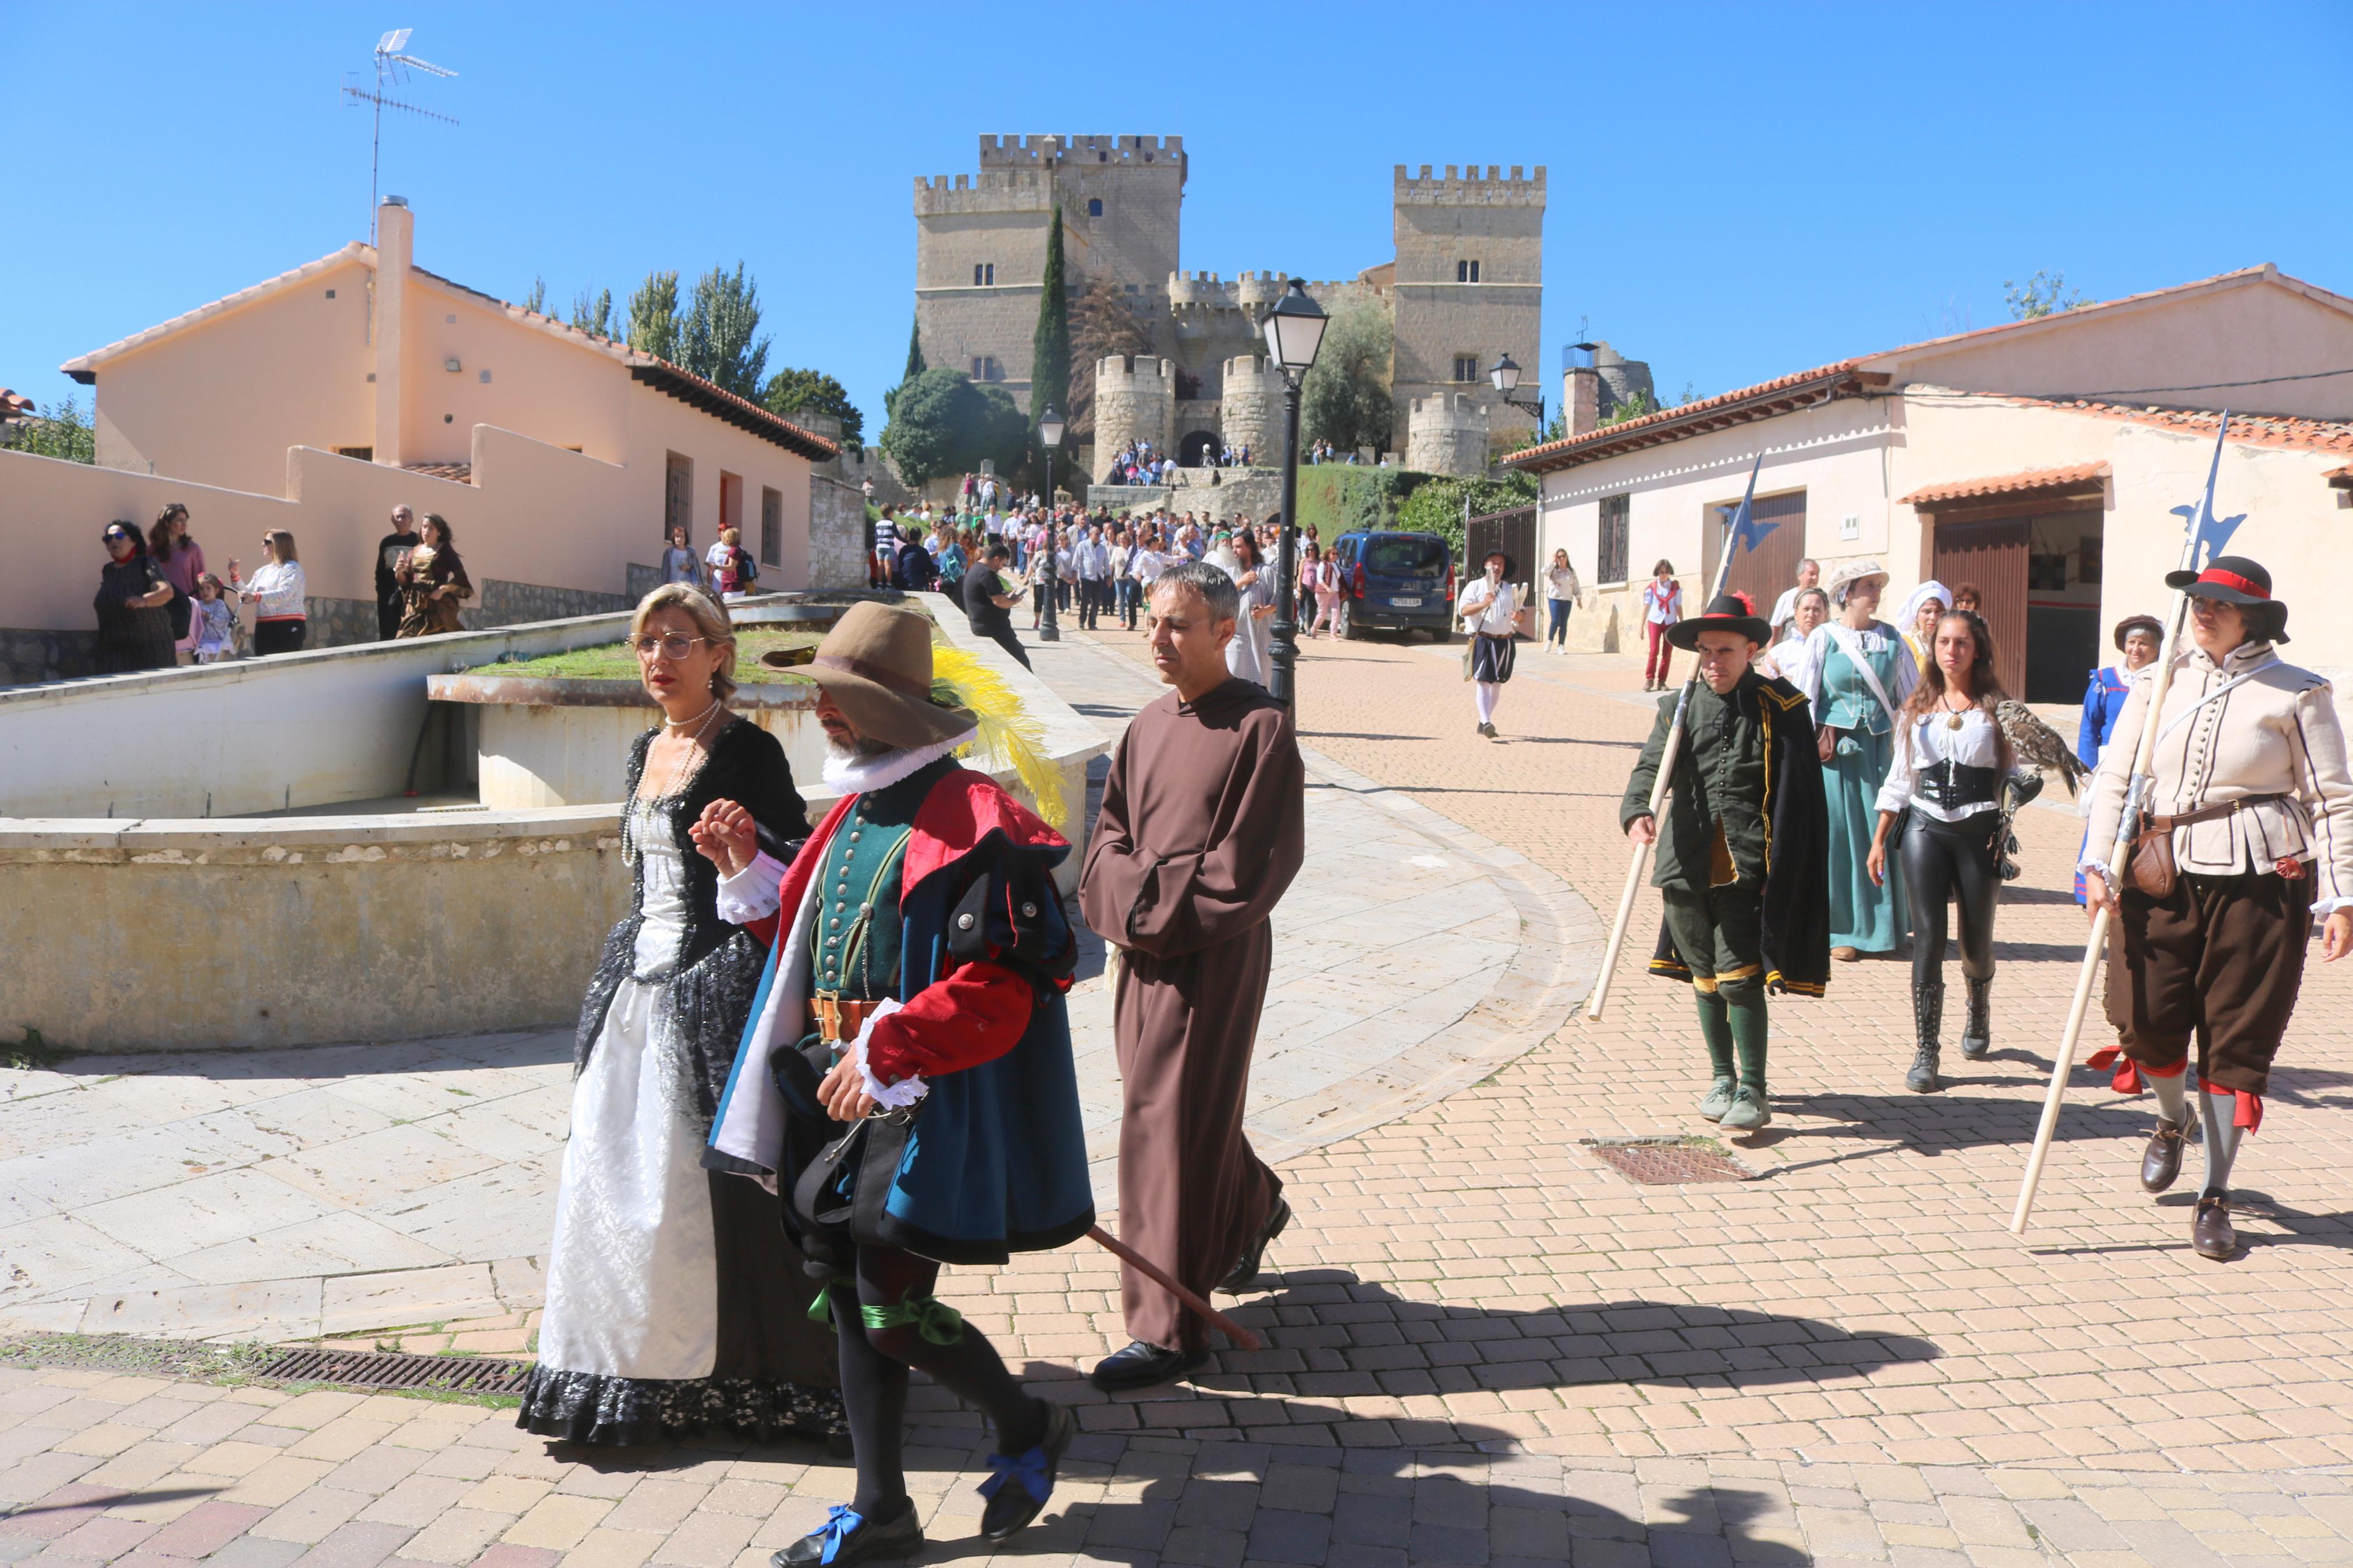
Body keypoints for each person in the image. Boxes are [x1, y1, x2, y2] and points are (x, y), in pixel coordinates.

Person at [703, 603, 1089, 1563]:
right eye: (822, 694)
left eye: (838, 696)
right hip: (830, 1100)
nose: (820, 710)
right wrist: (750, 875)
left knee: (888, 1310)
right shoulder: (849, 811)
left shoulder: (977, 822)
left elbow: (1009, 987)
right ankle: (882, 1512)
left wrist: (892, 1046)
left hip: (917, 1104)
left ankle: (1025, 1422)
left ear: (888, 710)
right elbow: (816, 957)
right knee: (845, 1300)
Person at [518, 583, 842, 1447]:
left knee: (705, 1189)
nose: (658, 658)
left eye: (678, 641)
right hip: (635, 990)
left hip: (712, 984)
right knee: (612, 1170)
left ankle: (764, 1377)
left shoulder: (747, 752)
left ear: (718, 653)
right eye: (647, 642)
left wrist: (745, 847)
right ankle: (621, 1369)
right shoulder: (643, 749)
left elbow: (793, 868)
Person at [2081, 556, 2353, 1261]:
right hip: (2156, 870)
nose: (2201, 611)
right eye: (2196, 600)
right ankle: (2172, 1122)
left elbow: (2333, 799)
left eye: (2218, 604)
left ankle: (2214, 1193)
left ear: (2254, 617)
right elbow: (2114, 775)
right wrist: (2091, 863)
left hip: (2261, 880)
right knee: (2144, 1015)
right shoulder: (2155, 683)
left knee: (2233, 1038)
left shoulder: (2296, 691)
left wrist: (2341, 898)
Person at [1078, 561, 1306, 1392]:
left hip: (1213, 950)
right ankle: (1251, 1202)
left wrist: (1150, 904)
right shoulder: (1141, 726)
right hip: (1143, 950)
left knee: (1162, 1122)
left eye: (1176, 624)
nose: (1157, 638)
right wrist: (1132, 908)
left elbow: (1251, 861)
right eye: (1151, 621)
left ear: (1221, 630)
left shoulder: (1261, 729)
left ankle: (1168, 1325)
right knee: (1170, 1103)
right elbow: (1103, 838)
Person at [1621, 595, 1829, 1132]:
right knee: (1704, 974)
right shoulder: (1677, 707)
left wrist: (1786, 867)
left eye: (1726, 651)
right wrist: (1637, 810)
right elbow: (1652, 766)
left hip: (1747, 862)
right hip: (1684, 860)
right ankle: (1721, 1076)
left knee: (1739, 975)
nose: (1714, 661)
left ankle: (1754, 1088)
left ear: (1752, 649)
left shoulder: (1782, 706)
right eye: (1706, 651)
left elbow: (1800, 796)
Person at [1867, 610, 2041, 1093]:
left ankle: (1978, 1002)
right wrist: (1879, 838)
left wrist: (2023, 789)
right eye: (1943, 641)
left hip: (1979, 828)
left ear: (1977, 649)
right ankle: (1926, 1050)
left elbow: (2018, 770)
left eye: (1961, 642)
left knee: (1975, 943)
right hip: (1923, 825)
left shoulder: (1999, 708)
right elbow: (1900, 778)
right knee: (1926, 939)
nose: (1951, 650)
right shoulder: (1916, 706)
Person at [1802, 560, 1917, 961]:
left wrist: (1912, 751)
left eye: (1878, 586)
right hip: (1834, 756)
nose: (1876, 592)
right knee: (1837, 837)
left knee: (1880, 835)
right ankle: (1841, 931)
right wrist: (1801, 756)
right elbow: (1805, 699)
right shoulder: (1823, 639)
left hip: (1880, 754)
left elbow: (1911, 700)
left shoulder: (1893, 640)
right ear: (1846, 593)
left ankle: (1885, 929)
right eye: (1868, 586)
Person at [2074, 614, 2166, 903]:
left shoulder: (2164, 681)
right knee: (2103, 823)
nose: (2137, 649)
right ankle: (2089, 889)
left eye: (2145, 644)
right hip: (2110, 766)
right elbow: (2090, 727)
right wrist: (2086, 771)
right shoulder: (2105, 681)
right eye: (2132, 642)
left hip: (2148, 765)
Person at [93, 521, 176, 674]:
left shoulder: (146, 563)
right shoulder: (108, 571)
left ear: (134, 541)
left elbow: (166, 592)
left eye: (119, 536)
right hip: (114, 653)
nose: (113, 541)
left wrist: (144, 600)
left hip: (150, 653)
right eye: (108, 538)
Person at [1458, 549, 1520, 738]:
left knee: (1498, 683)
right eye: (1493, 563)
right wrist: (1483, 604)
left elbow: (1522, 612)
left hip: (1505, 641)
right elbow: (1463, 610)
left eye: (1500, 564)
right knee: (1484, 680)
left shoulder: (1510, 589)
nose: (1496, 567)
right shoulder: (1475, 586)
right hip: (1484, 640)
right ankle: (1486, 722)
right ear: (1486, 565)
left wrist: (1520, 616)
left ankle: (1483, 720)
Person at [227, 530, 307, 655]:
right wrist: (235, 575)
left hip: (288, 625)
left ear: (280, 545)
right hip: (264, 627)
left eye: (267, 541)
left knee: (284, 668)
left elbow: (285, 593)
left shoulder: (292, 568)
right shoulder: (262, 572)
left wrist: (254, 596)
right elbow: (248, 594)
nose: (262, 544)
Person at [393, 514, 473, 638]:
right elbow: (406, 582)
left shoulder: (445, 551)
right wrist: (398, 571)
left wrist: (442, 590)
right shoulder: (415, 551)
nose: (427, 531)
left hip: (437, 603)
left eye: (431, 528)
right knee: (406, 636)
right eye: (424, 527)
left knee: (437, 635)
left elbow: (460, 576)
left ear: (439, 532)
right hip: (415, 603)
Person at [148, 503, 205, 662]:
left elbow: (200, 581)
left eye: (186, 520)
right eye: (179, 520)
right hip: (159, 610)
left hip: (185, 610)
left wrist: (201, 610)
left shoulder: (193, 550)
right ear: (167, 522)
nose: (184, 524)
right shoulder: (152, 551)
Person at [1221, 530, 1277, 687]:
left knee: (1261, 682)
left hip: (1260, 637)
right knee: (1233, 676)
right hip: (1236, 637)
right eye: (1233, 547)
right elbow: (1220, 599)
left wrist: (1264, 611)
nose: (1234, 551)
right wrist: (1240, 583)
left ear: (1250, 548)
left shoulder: (1266, 572)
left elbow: (1279, 602)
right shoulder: (1231, 573)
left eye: (1238, 547)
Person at [962, 542, 1030, 669]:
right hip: (992, 628)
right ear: (996, 559)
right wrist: (1014, 601)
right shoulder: (987, 573)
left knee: (1019, 653)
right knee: (1022, 663)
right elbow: (1000, 602)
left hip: (984, 624)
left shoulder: (975, 569)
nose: (1001, 568)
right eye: (1002, 564)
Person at [1759, 586, 1829, 688]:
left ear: (1826, 615)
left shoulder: (1833, 651)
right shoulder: (1778, 655)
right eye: (1806, 609)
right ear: (1796, 613)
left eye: (1817, 610)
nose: (1811, 614)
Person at [377, 506, 423, 638]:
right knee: (388, 630)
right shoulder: (387, 542)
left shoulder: (418, 541)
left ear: (411, 520)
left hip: (410, 594)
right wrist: (381, 591)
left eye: (404, 516)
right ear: (392, 520)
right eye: (398, 517)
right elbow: (380, 570)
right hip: (388, 594)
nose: (401, 520)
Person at [1641, 560, 1682, 691]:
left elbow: (1678, 606)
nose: (1664, 575)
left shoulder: (1675, 588)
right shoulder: (1652, 588)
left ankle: (1662, 681)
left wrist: (1681, 622)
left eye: (1667, 572)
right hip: (1655, 620)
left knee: (1667, 653)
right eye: (1661, 572)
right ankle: (1649, 679)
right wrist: (1641, 626)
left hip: (1670, 621)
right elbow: (1646, 607)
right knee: (1654, 650)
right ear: (1657, 573)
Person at [1896, 580, 1951, 674]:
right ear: (1916, 615)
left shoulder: (1951, 643)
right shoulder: (1904, 644)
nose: (1933, 617)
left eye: (1938, 612)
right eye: (1927, 612)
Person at [1767, 559, 1821, 643]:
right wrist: (1770, 653)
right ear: (1800, 576)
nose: (1815, 578)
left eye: (1817, 574)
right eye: (1812, 574)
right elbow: (1774, 628)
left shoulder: (1822, 599)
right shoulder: (1787, 597)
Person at [191, 573, 237, 662]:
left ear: (216, 591)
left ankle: (204, 658)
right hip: (204, 638)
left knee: (208, 647)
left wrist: (207, 615)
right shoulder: (198, 604)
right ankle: (202, 658)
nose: (205, 592)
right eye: (202, 589)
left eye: (208, 588)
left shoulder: (219, 604)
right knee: (199, 647)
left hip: (219, 638)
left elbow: (222, 622)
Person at [1543, 548, 1579, 653]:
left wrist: (1579, 597)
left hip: (1567, 599)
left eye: (1564, 556)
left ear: (1567, 557)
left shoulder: (1571, 571)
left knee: (1564, 623)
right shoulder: (1553, 570)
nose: (1562, 558)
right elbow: (1544, 572)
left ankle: (1561, 646)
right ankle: (1550, 641)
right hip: (1554, 598)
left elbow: (1576, 584)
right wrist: (1553, 561)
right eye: (1560, 556)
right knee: (1555, 621)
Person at [661, 523, 703, 589]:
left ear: (685, 539)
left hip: (688, 586)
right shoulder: (669, 553)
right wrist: (663, 587)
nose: (679, 539)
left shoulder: (691, 552)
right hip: (673, 586)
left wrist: (688, 567)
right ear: (674, 538)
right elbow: (665, 572)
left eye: (682, 537)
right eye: (677, 536)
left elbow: (697, 569)